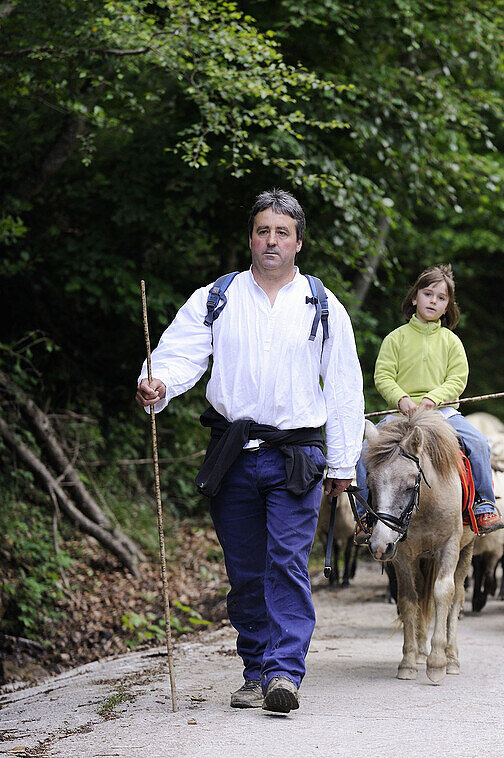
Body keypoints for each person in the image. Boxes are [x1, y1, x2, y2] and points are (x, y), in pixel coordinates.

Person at [135, 189, 364, 714]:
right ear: (251, 239)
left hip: (297, 457)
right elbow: (177, 356)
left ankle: (284, 673)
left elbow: (345, 388)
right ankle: (255, 669)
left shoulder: (323, 304)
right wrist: (158, 384)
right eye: (263, 231)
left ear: (299, 243)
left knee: (286, 562)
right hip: (232, 453)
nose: (272, 241)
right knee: (245, 571)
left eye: (282, 233)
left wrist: (343, 463)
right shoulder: (216, 297)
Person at [369, 263, 504, 534]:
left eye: (441, 298)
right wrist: (401, 399)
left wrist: (434, 398)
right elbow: (383, 376)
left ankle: (484, 506)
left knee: (479, 443)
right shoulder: (395, 339)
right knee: (364, 451)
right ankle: (366, 516)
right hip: (400, 415)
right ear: (414, 297)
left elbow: (457, 379)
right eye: (428, 294)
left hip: (442, 413)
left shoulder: (451, 341)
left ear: (448, 307)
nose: (433, 301)